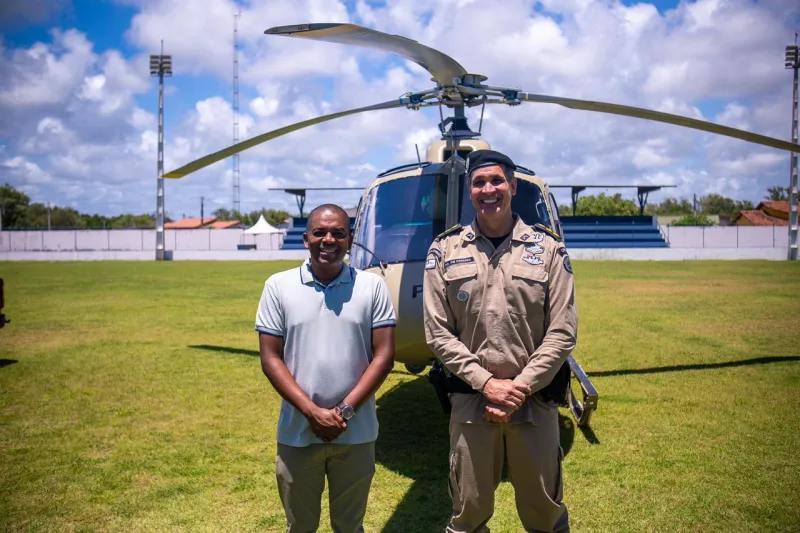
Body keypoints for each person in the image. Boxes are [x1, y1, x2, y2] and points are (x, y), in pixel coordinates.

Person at [422, 149, 578, 533]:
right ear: (470, 191)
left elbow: (562, 332)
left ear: (513, 185)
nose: (488, 189)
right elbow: (437, 332)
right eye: (479, 182)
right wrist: (487, 384)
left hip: (534, 401)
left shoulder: (549, 249)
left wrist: (518, 388)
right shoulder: (444, 250)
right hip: (471, 403)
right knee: (468, 513)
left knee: (545, 513)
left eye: (496, 181)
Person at [254, 203, 396, 533]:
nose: (328, 239)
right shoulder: (278, 286)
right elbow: (270, 358)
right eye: (319, 232)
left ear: (350, 239)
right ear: (306, 239)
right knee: (300, 526)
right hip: (298, 432)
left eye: (338, 233)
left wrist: (343, 412)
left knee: (350, 525)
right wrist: (312, 413)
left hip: (356, 432)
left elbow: (384, 356)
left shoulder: (372, 286)